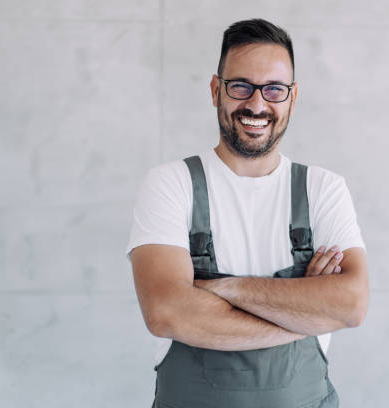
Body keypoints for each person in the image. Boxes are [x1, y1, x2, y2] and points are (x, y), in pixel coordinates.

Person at [127, 18, 369, 408]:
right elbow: (166, 312)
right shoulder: (171, 184)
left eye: (274, 89)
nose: (257, 104)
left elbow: (352, 305)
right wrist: (305, 312)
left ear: (292, 97)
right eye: (241, 86)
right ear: (215, 90)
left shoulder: (323, 189)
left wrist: (222, 287)